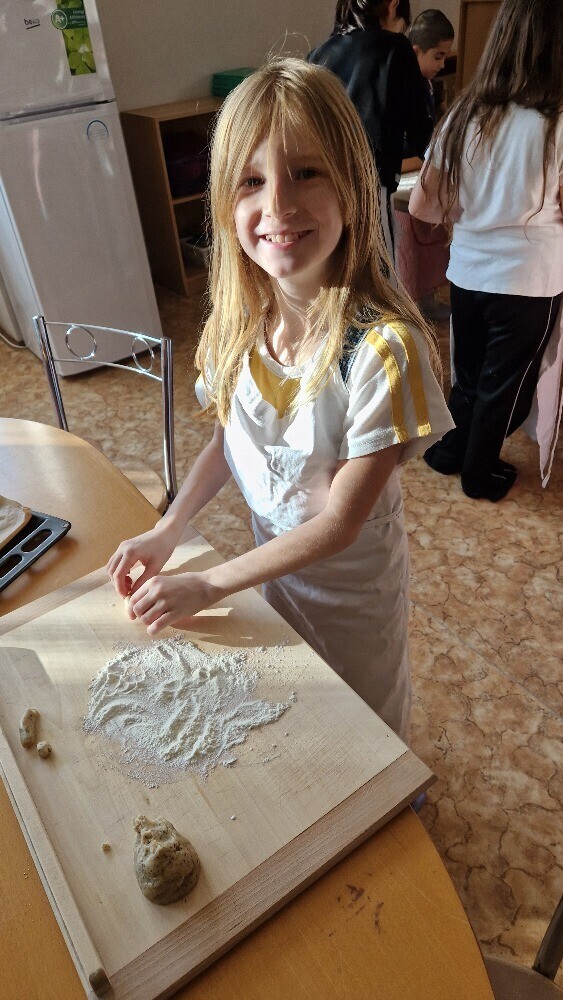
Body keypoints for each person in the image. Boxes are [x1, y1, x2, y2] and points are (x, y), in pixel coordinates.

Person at [107, 58, 453, 740]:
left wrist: (209, 584)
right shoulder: (237, 327)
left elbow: (340, 524)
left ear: (351, 185)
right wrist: (168, 529)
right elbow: (227, 441)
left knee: (365, 722)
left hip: (352, 598)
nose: (279, 207)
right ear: (224, 204)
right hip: (273, 573)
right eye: (252, 181)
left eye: (306, 172)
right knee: (302, 706)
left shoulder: (383, 351)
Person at [409, 0, 563, 502]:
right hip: (530, 280)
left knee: (470, 375)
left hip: (469, 272)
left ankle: (451, 450)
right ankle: (479, 472)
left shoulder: (466, 113)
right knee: (505, 385)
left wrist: (475, 210)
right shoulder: (557, 122)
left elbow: (424, 205)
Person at [308, 0, 433, 262]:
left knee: (333, 268)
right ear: (393, 6)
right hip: (371, 187)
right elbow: (421, 132)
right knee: (379, 271)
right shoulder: (395, 47)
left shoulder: (318, 54)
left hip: (321, 187)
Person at [399, 8, 455, 321]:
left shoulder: (429, 85)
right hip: (406, 168)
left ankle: (429, 294)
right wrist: (421, 161)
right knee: (411, 238)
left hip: (422, 167)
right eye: (437, 56)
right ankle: (411, 298)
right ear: (416, 51)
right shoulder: (400, 85)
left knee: (436, 232)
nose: (442, 64)